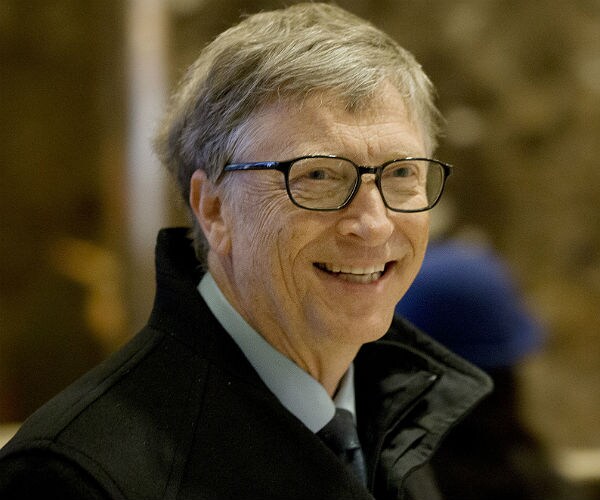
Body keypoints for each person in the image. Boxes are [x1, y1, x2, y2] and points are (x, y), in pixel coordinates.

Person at [0, 4, 492, 499]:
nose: (374, 224)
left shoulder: (410, 424)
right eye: (318, 175)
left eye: (402, 173)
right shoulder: (74, 478)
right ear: (214, 209)